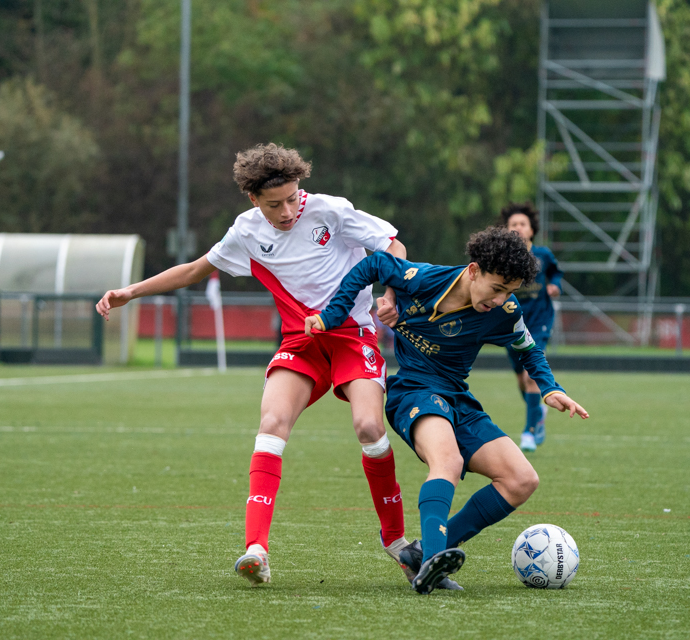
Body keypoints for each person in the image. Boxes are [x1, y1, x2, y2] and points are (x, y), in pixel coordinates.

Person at [96, 143, 414, 587]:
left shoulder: (330, 211)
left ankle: (396, 542)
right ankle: (256, 550)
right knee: (272, 420)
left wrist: (393, 294)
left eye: (291, 198)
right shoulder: (245, 232)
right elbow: (193, 269)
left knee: (368, 427)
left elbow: (392, 244)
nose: (286, 211)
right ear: (252, 201)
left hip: (352, 335)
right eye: (273, 204)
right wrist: (131, 292)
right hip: (301, 342)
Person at [305, 226, 588, 594]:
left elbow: (528, 348)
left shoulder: (506, 310)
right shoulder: (424, 278)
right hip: (415, 391)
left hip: (458, 398)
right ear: (473, 271)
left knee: (521, 480)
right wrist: (332, 315)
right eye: (497, 287)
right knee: (448, 462)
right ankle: (433, 565)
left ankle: (421, 554)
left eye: (510, 292)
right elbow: (373, 264)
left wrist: (551, 388)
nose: (502, 299)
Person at [500, 202, 562, 452]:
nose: (517, 228)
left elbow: (556, 273)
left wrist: (554, 285)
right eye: (512, 224)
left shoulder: (543, 255)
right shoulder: (501, 257)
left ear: (531, 230)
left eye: (522, 224)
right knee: (520, 378)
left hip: (539, 321)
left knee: (530, 376)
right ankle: (538, 412)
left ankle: (529, 431)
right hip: (510, 322)